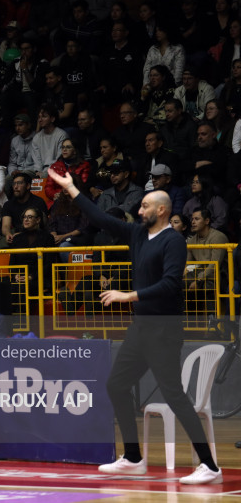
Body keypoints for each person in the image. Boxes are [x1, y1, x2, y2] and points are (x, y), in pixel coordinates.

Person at [47, 167, 222, 485]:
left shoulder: (174, 242)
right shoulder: (139, 234)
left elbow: (171, 284)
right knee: (116, 385)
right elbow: (102, 220)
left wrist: (129, 294)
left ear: (161, 210)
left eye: (144, 206)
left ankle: (209, 464)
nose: (138, 210)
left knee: (173, 395)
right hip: (141, 327)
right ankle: (132, 458)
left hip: (164, 329)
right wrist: (72, 189)